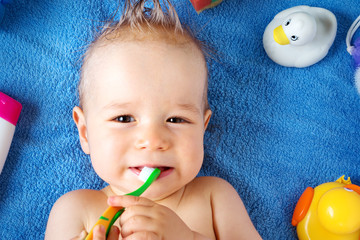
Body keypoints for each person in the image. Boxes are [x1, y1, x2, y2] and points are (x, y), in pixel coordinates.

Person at [45, 0, 262, 239]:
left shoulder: (215, 197)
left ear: (203, 128)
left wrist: (188, 237)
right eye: (124, 118)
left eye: (176, 119)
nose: (153, 140)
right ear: (85, 133)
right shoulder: (76, 209)